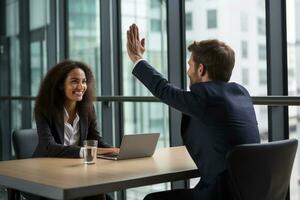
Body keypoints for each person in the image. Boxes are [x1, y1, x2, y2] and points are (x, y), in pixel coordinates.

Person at [126, 24, 260, 200]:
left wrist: (137, 58)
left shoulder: (205, 97)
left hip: (221, 193)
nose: (188, 70)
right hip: (251, 190)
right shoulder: (241, 93)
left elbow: (164, 90)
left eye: (190, 65)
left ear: (201, 69)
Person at [29, 60, 118, 200]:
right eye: (74, 81)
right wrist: (86, 152)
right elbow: (48, 147)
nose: (81, 86)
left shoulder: (87, 109)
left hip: (76, 171)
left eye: (84, 81)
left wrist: (117, 151)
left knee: (101, 193)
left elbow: (96, 141)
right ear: (60, 85)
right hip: (47, 175)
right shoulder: (44, 109)